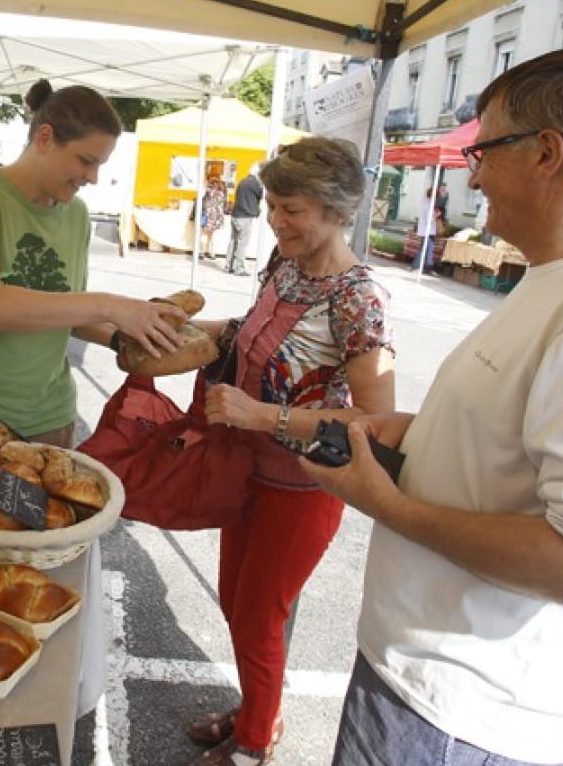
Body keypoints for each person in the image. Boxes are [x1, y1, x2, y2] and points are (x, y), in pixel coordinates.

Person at [302, 47, 563, 766]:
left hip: (465, 715)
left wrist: (392, 506)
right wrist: (412, 434)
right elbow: (517, 443)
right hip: (424, 683)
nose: (473, 172)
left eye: (484, 149)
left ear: (546, 153)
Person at [182, 136, 396, 766]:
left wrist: (264, 414)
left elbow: (378, 422)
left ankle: (253, 743)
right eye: (273, 205)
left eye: (292, 209)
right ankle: (259, 709)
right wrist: (173, 326)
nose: (275, 220)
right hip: (245, 468)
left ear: (337, 212)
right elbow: (245, 332)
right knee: (235, 601)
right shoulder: (286, 265)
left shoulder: (360, 298)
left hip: (303, 486)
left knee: (258, 614)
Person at [0, 80, 185, 447]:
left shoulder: (76, 213)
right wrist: (110, 305)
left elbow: (66, 312)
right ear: (45, 138)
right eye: (87, 161)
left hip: (46, 419)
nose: (94, 178)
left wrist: (126, 336)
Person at [225, 161, 264, 276]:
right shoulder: (254, 183)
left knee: (233, 241)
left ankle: (229, 265)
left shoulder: (243, 181)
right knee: (242, 243)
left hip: (236, 214)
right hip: (245, 216)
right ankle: (239, 268)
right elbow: (261, 194)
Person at [199, 163, 229, 260]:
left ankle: (201, 252)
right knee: (213, 235)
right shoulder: (224, 185)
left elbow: (204, 197)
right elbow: (226, 200)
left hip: (208, 212)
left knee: (204, 233)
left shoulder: (209, 183)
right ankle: (212, 253)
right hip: (218, 213)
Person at [413, 180, 438, 271]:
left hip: (425, 230)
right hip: (428, 230)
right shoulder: (429, 205)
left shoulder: (424, 203)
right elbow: (429, 219)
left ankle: (422, 266)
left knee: (424, 248)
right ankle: (423, 267)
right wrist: (436, 216)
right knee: (427, 249)